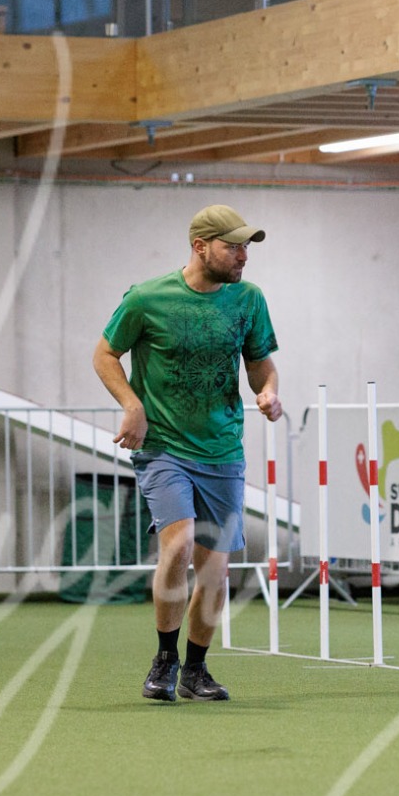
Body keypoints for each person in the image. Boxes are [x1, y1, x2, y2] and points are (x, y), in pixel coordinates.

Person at [93, 204, 282, 704]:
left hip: (222, 450)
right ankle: (164, 658)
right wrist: (132, 404)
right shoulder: (146, 298)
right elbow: (104, 353)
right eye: (233, 247)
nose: (243, 256)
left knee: (215, 570)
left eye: (246, 247)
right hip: (164, 449)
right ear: (200, 247)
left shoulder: (249, 299)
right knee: (177, 547)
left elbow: (260, 364)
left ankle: (195, 669)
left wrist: (268, 392)